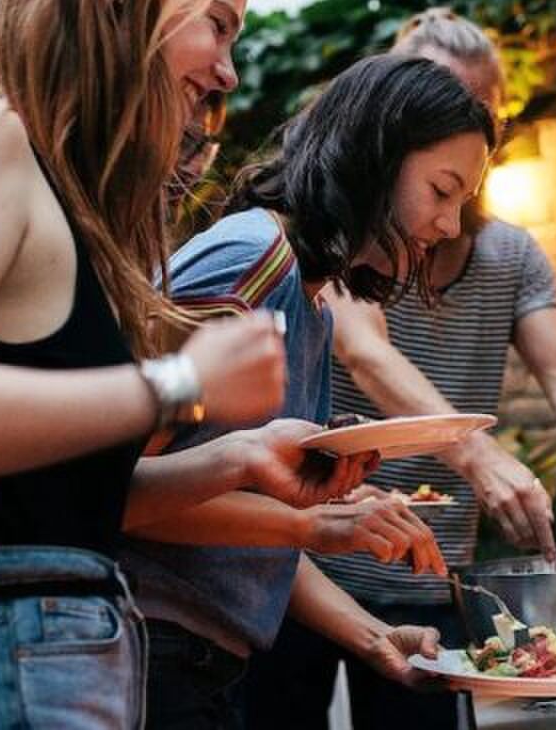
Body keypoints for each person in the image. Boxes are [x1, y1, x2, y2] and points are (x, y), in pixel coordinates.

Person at [0, 0, 379, 726]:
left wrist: (237, 458)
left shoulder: (75, 211)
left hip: (65, 655)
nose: (229, 71)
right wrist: (180, 385)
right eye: (217, 25)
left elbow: (51, 501)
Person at [244, 8, 556, 730]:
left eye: (478, 112)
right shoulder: (346, 239)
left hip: (426, 580)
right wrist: (475, 452)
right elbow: (365, 348)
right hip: (304, 567)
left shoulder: (511, 255)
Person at [118, 53, 496, 728]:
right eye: (442, 192)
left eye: (461, 204)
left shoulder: (314, 304)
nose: (447, 227)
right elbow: (115, 490)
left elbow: (236, 529)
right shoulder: (250, 260)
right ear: (374, 155)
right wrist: (315, 525)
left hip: (206, 666)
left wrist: (374, 637)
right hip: (150, 656)